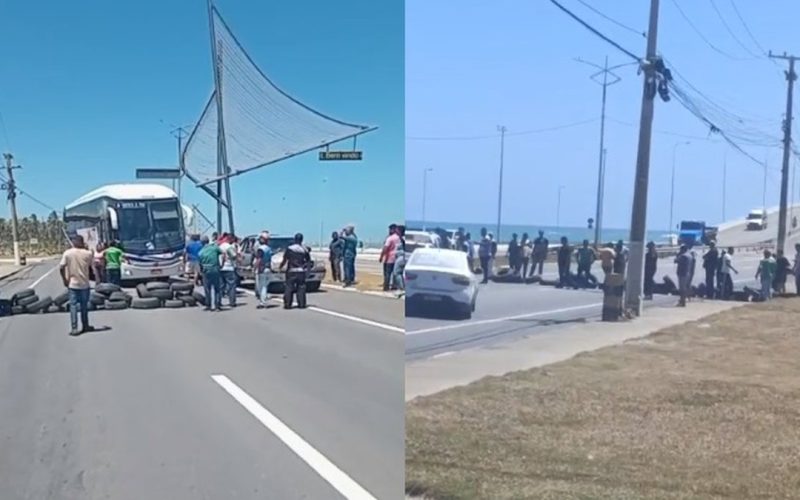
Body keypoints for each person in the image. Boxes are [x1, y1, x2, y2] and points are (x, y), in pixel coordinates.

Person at [60, 235, 95, 336]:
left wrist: (64, 280)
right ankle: (85, 325)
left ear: (74, 242)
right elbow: (90, 266)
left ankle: (74, 328)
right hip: (84, 284)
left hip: (73, 284)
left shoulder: (68, 253)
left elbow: (61, 267)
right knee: (84, 306)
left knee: (73, 306)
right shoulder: (88, 253)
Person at [281, 233, 311, 309]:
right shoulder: (304, 249)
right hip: (301, 271)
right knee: (301, 287)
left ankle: (288, 304)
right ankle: (301, 304)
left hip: (291, 271)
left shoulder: (290, 249)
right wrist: (308, 271)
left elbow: (285, 259)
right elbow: (308, 261)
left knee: (289, 287)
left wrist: (280, 267)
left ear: (295, 239)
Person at [198, 235, 223, 311]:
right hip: (215, 269)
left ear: (202, 242)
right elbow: (222, 253)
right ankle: (217, 305)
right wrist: (222, 264)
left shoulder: (200, 252)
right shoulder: (214, 248)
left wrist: (201, 271)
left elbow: (200, 264)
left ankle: (208, 305)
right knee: (217, 288)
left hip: (206, 270)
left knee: (207, 289)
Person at [253, 232, 273, 309]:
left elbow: (259, 259)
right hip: (268, 268)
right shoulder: (269, 248)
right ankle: (263, 301)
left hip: (262, 269)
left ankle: (263, 302)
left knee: (261, 287)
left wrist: (255, 267)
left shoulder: (261, 249)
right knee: (265, 286)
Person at [379, 224, 401, 291]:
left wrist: (381, 256)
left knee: (387, 274)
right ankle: (394, 286)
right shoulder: (398, 238)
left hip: (389, 258)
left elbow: (385, 248)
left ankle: (386, 287)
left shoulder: (390, 238)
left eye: (390, 229)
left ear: (392, 229)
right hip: (396, 258)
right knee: (395, 273)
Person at [219, 235, 239, 308]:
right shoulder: (228, 247)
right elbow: (233, 256)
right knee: (231, 286)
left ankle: (218, 302)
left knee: (220, 286)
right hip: (229, 267)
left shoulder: (220, 246)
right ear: (229, 240)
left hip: (220, 268)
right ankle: (232, 302)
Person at [393, 225, 407, 294]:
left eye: (397, 230)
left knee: (396, 272)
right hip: (401, 257)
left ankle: (401, 288)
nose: (396, 231)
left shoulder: (403, 238)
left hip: (402, 257)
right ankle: (402, 287)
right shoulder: (401, 238)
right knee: (400, 273)